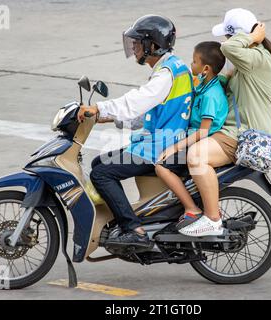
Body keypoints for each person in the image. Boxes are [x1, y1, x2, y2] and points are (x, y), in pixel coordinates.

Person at [77, 15, 194, 247]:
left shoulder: (166, 74)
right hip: (159, 142)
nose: (134, 47)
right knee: (99, 163)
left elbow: (136, 102)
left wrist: (99, 107)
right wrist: (105, 117)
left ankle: (134, 229)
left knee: (102, 174)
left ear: (153, 45)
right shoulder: (171, 67)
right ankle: (120, 218)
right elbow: (147, 112)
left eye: (138, 42)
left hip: (163, 147)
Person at [178, 8, 271, 237]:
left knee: (196, 156)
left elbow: (227, 48)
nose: (224, 40)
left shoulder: (256, 57)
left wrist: (253, 36)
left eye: (228, 35)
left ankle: (212, 218)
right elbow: (225, 79)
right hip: (232, 131)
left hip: (240, 135)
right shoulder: (250, 60)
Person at [155, 41, 228, 235]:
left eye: (194, 61)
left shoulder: (211, 95)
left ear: (205, 68)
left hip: (201, 139)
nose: (191, 65)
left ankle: (192, 209)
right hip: (188, 134)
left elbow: (202, 132)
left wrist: (175, 147)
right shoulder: (205, 83)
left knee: (160, 166)